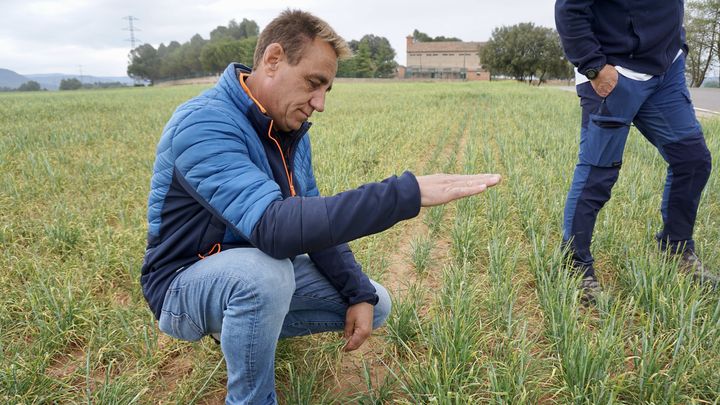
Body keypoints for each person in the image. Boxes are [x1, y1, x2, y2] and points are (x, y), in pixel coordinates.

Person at [140, 9, 501, 404]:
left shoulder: (290, 130)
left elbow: (311, 220)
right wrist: (403, 194)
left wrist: (358, 292)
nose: (320, 103)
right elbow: (276, 229)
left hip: (254, 265)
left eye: (326, 90)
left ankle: (245, 324)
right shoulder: (203, 123)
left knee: (375, 305)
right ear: (273, 60)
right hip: (183, 283)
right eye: (314, 83)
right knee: (264, 276)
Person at [555, 0, 717, 302]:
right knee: (598, 174)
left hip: (665, 72)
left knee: (693, 161)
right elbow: (569, 9)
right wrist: (593, 66)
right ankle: (576, 267)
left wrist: (676, 46)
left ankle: (676, 248)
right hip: (613, 74)